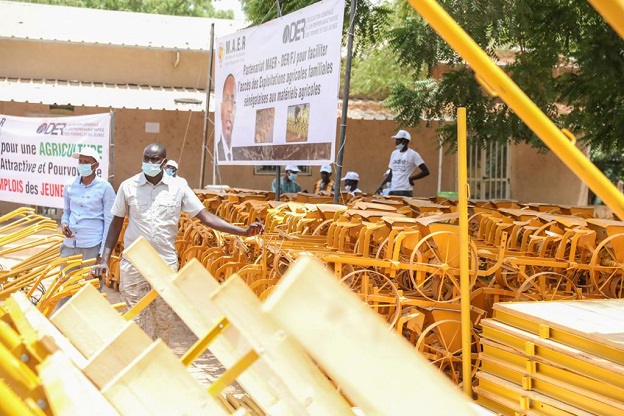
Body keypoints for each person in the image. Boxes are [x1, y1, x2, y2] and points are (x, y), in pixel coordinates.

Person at [92, 143, 263, 345]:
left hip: (164, 263)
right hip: (134, 263)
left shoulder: (178, 187)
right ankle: (137, 364)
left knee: (163, 320)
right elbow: (116, 224)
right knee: (135, 320)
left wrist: (243, 231)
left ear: (164, 162)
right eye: (145, 158)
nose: (148, 163)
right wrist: (105, 258)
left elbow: (206, 217)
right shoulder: (128, 186)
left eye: (153, 159)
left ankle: (159, 362)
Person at [60, 146, 115, 292]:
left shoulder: (105, 188)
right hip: (70, 245)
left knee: (89, 290)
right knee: (66, 287)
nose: (82, 165)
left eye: (86, 162)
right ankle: (65, 315)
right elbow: (66, 212)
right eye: (81, 161)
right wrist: (64, 223)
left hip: (92, 246)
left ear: (95, 165)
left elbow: (110, 222)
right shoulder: (69, 185)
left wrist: (102, 254)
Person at [375, 130, 429, 197]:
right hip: (393, 190)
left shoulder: (413, 154)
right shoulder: (394, 153)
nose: (396, 142)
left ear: (405, 141)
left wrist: (411, 178)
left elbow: (426, 171)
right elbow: (391, 174)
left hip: (405, 191)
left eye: (399, 140)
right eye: (396, 140)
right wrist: (381, 185)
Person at [217, 74, 236, 162]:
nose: (229, 109)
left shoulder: (240, 154)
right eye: (226, 100)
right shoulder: (216, 151)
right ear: (221, 108)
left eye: (233, 101)